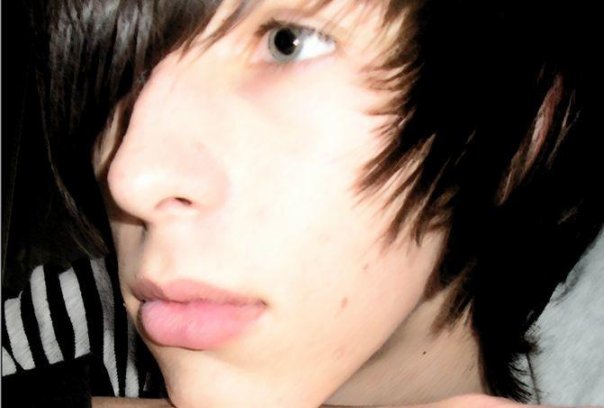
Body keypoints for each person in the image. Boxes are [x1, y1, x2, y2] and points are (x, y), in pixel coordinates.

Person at [2, 0, 603, 407]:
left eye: (287, 43)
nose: (130, 176)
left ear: (520, 131)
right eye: (119, 74)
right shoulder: (72, 319)